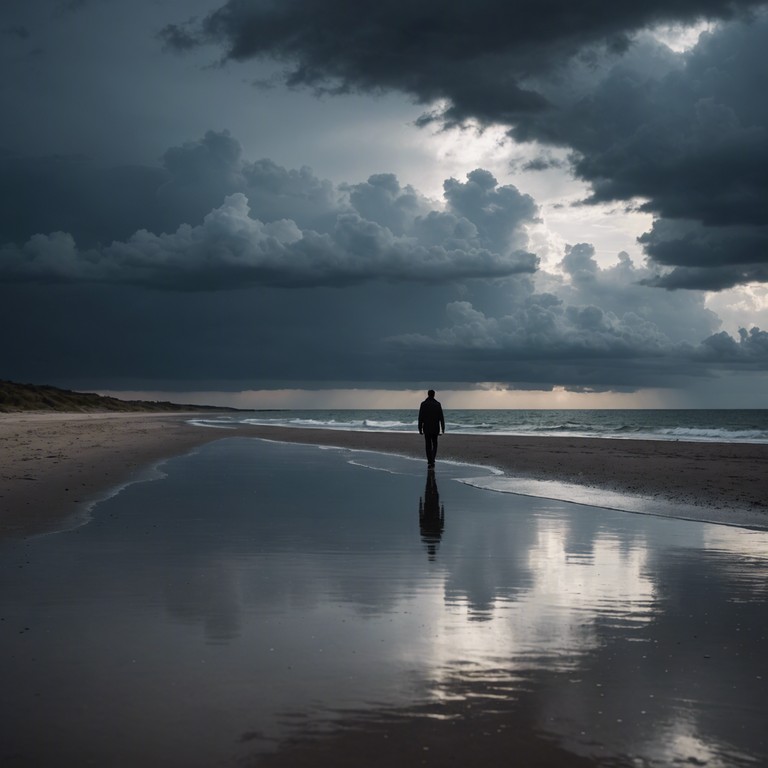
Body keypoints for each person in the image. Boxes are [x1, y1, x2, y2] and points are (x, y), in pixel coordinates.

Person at [418, 389, 445, 469]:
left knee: (428, 445)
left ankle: (429, 460)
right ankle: (432, 459)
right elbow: (441, 417)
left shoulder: (423, 404)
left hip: (426, 428)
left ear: (428, 394)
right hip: (435, 428)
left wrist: (420, 428)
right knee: (435, 444)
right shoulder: (437, 404)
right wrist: (443, 428)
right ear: (434, 395)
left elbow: (420, 417)